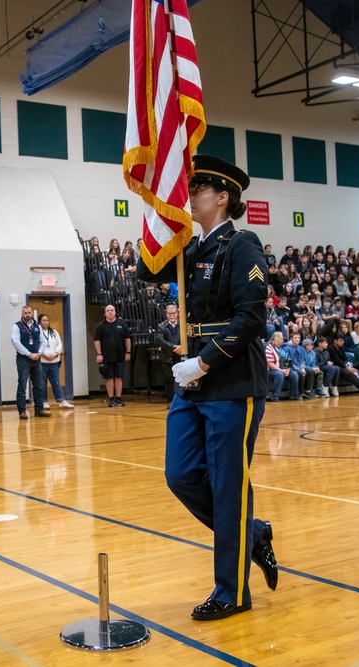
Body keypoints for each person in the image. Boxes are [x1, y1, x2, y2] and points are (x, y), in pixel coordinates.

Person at [136, 155, 277, 621]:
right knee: (180, 475)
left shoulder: (242, 245)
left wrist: (204, 360)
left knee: (227, 488)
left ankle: (232, 591)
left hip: (231, 382)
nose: (189, 196)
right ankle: (252, 534)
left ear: (223, 198)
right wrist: (158, 211)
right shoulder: (192, 249)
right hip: (193, 382)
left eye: (196, 190)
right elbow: (146, 271)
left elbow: (252, 316)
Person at [11, 305, 50, 419]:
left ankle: (39, 409)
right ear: (22, 314)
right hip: (24, 359)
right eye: (25, 313)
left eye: (29, 313)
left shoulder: (37, 326)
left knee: (39, 385)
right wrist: (29, 354)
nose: (27, 315)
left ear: (32, 314)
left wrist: (38, 353)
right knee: (22, 385)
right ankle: (22, 411)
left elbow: (42, 341)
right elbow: (16, 343)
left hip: (36, 359)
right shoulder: (17, 326)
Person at [93, 304, 131, 408]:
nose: (110, 312)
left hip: (120, 356)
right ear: (105, 313)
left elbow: (127, 339)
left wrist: (128, 352)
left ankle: (118, 398)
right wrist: (99, 354)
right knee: (109, 378)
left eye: (112, 310)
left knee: (119, 378)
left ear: (115, 312)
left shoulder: (121, 325)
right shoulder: (101, 326)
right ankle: (111, 399)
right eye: (108, 310)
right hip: (106, 357)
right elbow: (97, 341)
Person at [38, 314, 73, 409]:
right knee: (42, 382)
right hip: (42, 361)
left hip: (54, 362)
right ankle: (44, 401)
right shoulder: (38, 333)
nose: (46, 322)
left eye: (47, 320)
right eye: (43, 321)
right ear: (39, 322)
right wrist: (44, 355)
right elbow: (37, 346)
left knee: (56, 381)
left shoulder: (54, 332)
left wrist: (56, 353)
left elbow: (59, 344)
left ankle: (61, 400)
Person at [155, 304, 183, 402]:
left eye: (174, 313)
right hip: (167, 356)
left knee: (181, 378)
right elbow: (161, 340)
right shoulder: (161, 326)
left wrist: (182, 347)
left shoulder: (182, 325)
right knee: (169, 379)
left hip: (181, 355)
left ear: (177, 314)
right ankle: (171, 400)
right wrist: (174, 347)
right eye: (169, 313)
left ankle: (181, 399)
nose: (172, 315)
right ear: (166, 314)